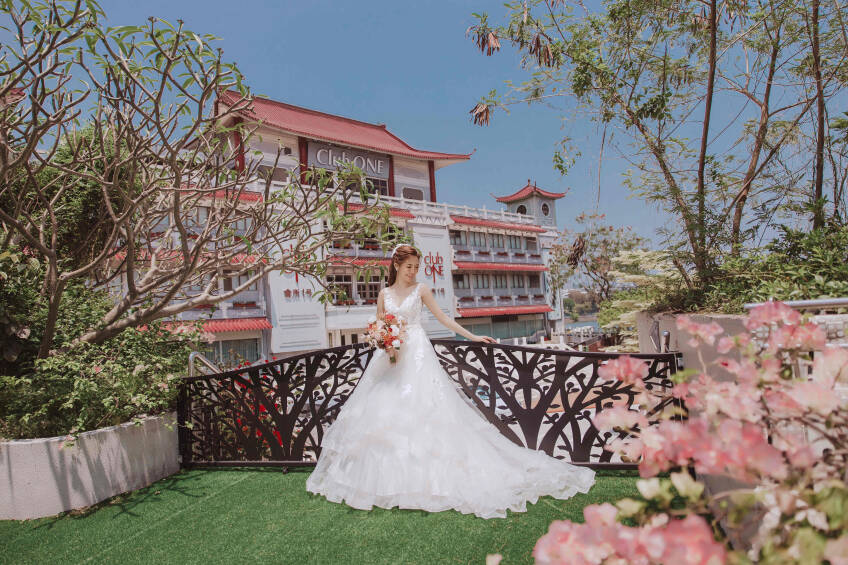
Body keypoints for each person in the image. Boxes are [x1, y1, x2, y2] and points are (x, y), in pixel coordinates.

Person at [305, 244, 595, 519]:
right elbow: (380, 324)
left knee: (426, 410)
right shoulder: (383, 294)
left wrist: (472, 336)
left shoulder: (421, 290)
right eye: (408, 266)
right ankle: (388, 482)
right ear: (396, 265)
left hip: (417, 354)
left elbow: (444, 318)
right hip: (390, 358)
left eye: (416, 267)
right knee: (383, 414)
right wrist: (384, 341)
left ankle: (431, 479)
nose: (413, 271)